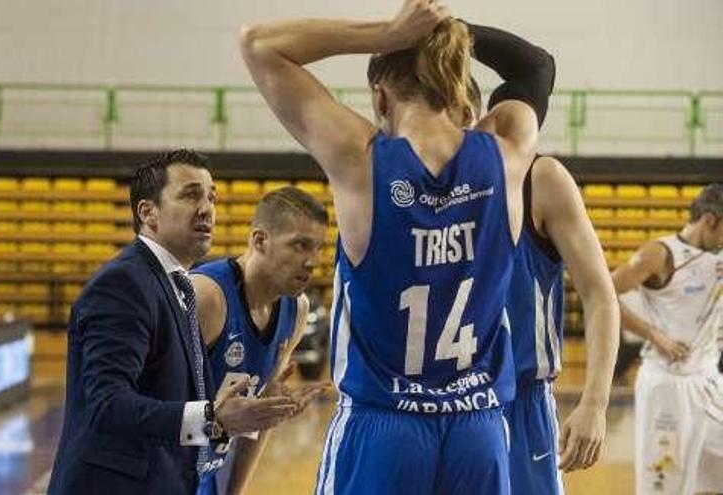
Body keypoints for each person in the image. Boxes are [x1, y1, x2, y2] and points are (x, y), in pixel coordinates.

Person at [240, 1, 552, 492]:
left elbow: (259, 44)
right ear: (456, 93)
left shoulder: (361, 161)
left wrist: (387, 33)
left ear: (381, 99)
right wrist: (452, 32)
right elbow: (535, 65)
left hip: (384, 423)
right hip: (480, 427)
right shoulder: (507, 151)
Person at [47, 149, 299, 495]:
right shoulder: (124, 284)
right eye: (191, 194)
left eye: (211, 197)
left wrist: (246, 405)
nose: (207, 208)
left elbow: (168, 394)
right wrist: (213, 417)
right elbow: (106, 404)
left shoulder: (177, 284)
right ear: (148, 213)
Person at [462, 22, 619, 492]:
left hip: (521, 400)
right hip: (439, 400)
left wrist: (594, 401)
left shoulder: (540, 179)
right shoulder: (413, 185)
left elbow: (600, 294)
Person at [193, 186, 330, 495]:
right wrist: (215, 420)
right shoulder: (207, 297)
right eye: (300, 246)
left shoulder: (297, 310)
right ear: (259, 240)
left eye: (317, 248)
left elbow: (257, 419)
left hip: (205, 477)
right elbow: (146, 405)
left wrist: (234, 491)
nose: (312, 261)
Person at [611, 183, 723, 494]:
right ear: (710, 220)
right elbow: (602, 293)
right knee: (663, 483)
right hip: (667, 387)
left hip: (709, 381)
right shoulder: (660, 254)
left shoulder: (718, 256)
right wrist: (654, 334)